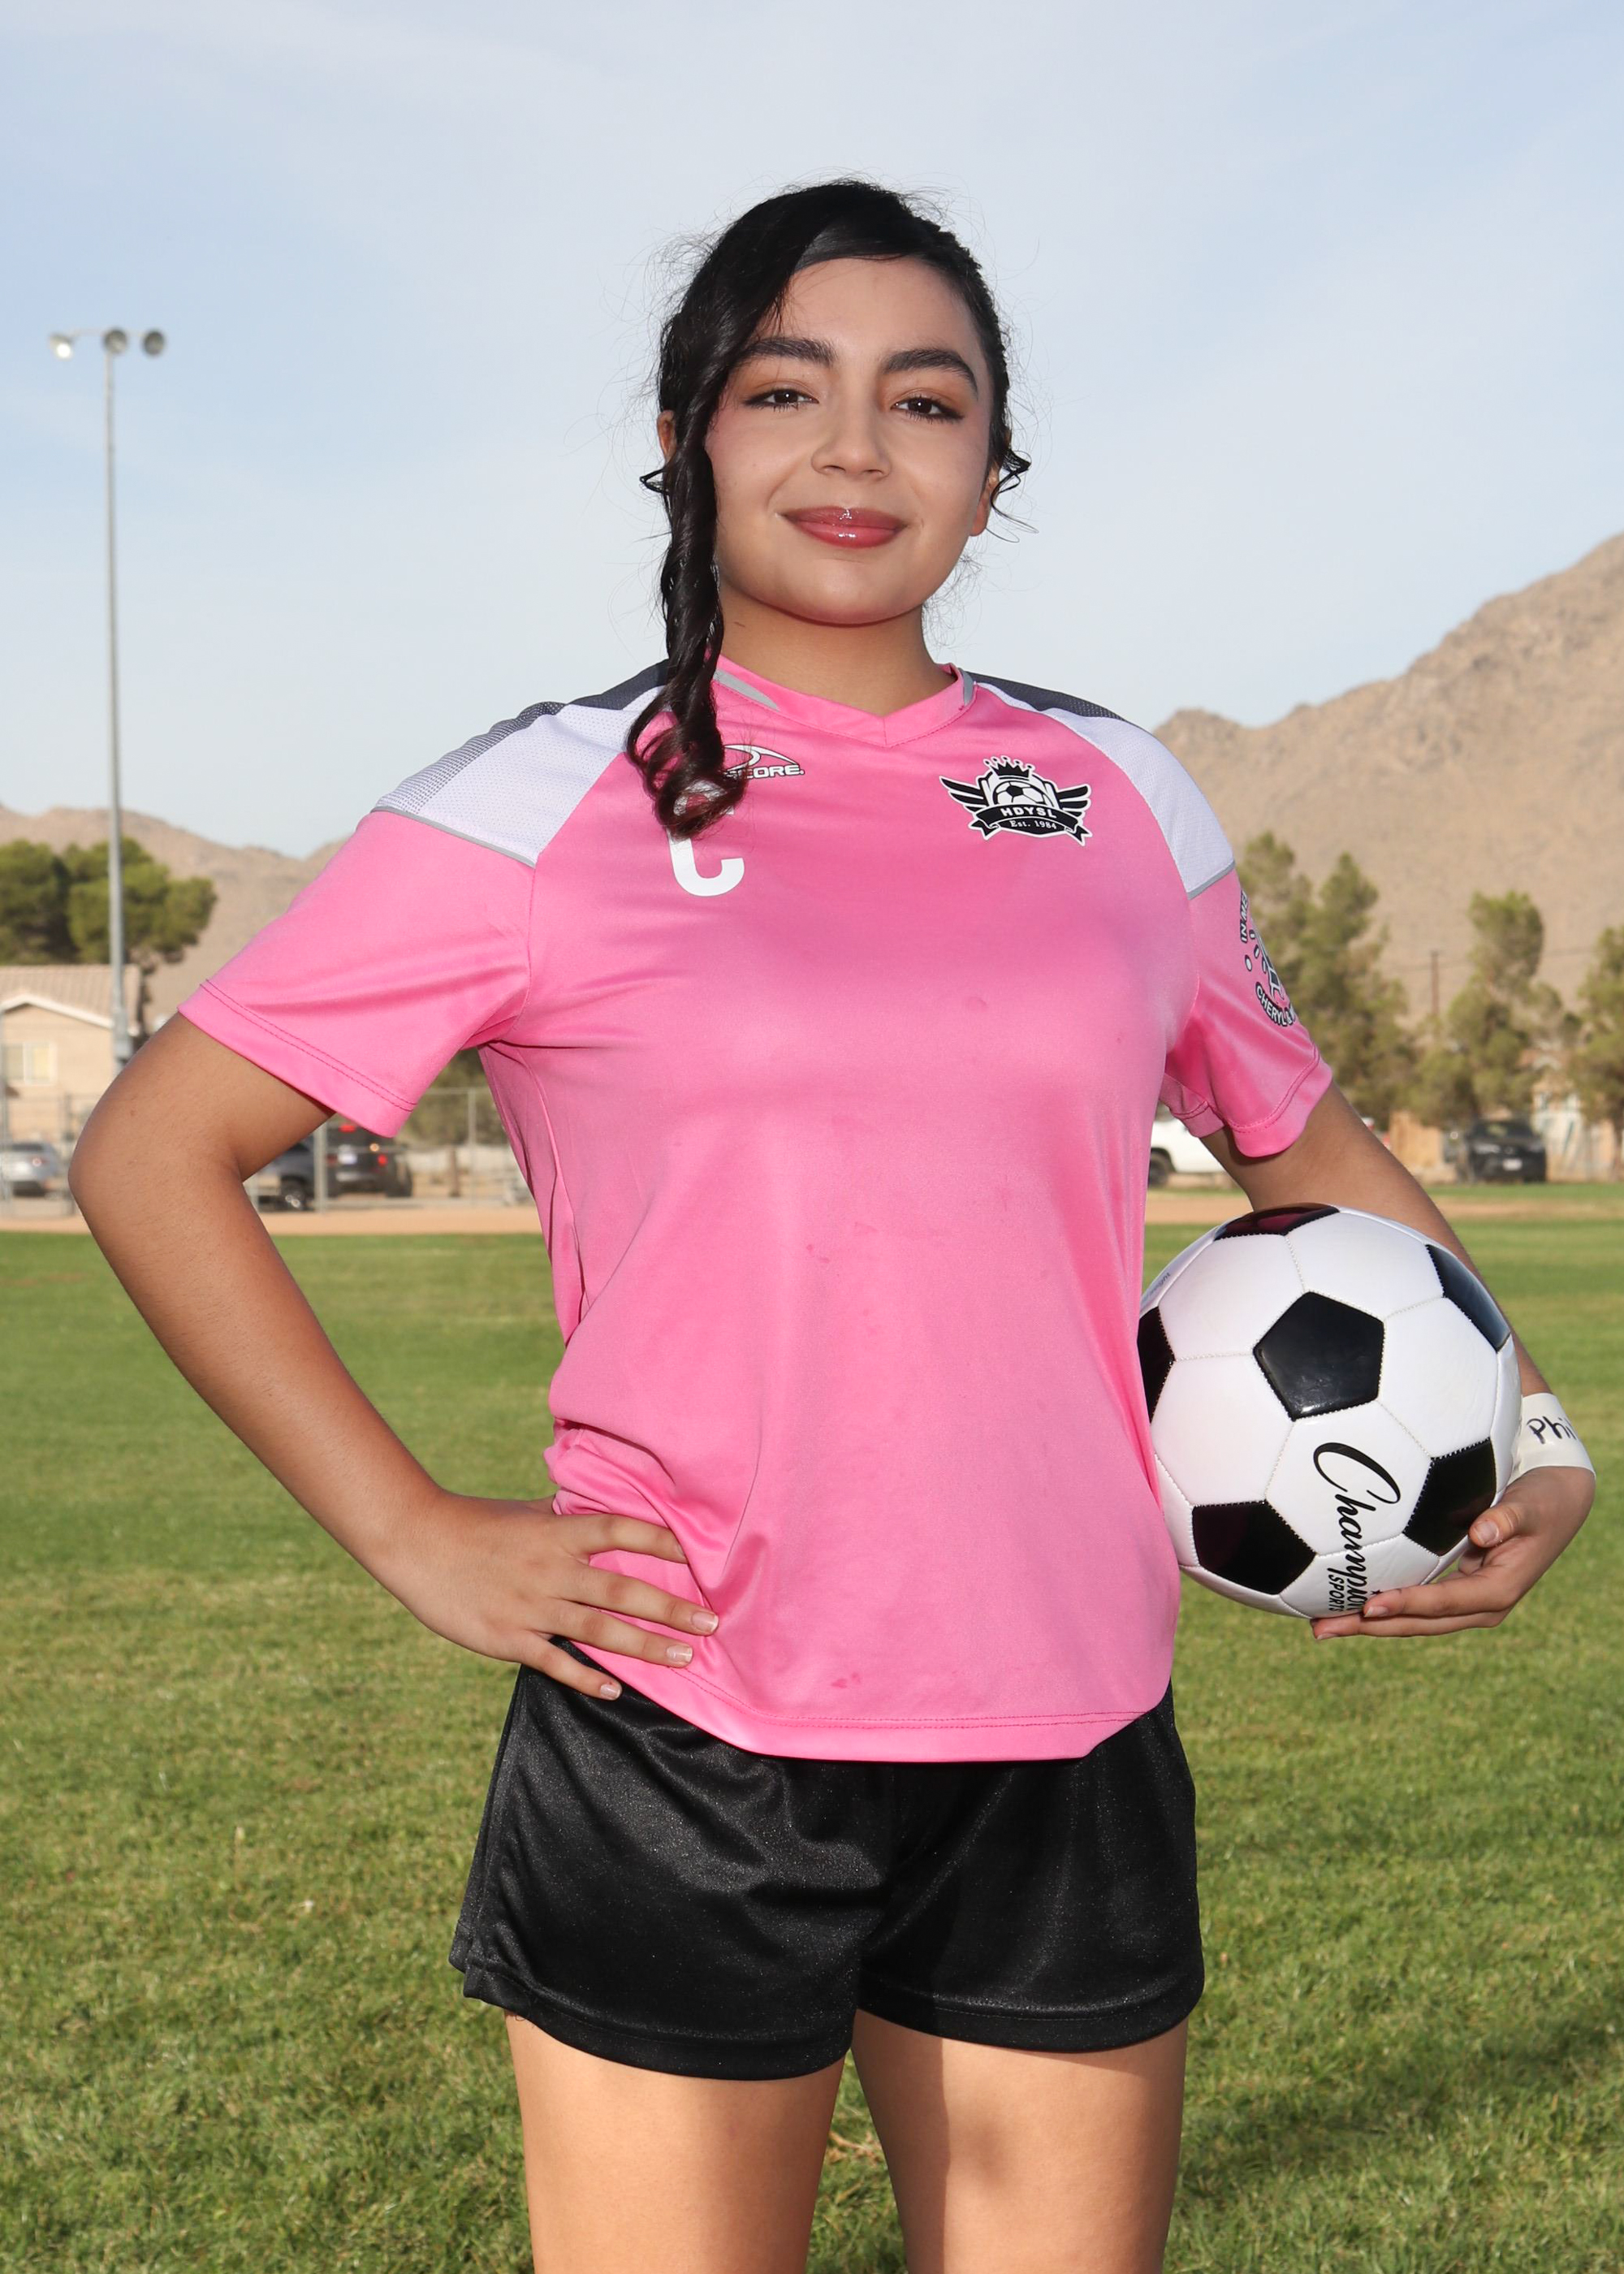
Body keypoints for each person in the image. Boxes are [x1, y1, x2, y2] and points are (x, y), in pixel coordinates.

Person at [69, 179, 1595, 2274]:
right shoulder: (542, 801)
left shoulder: (1120, 798)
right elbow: (153, 1151)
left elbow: (1303, 1142)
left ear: (996, 468)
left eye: (927, 401)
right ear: (689, 432)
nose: (856, 449)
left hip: (1067, 1717)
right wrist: (411, 1530)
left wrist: (1534, 1432)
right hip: (688, 1723)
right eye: (787, 390)